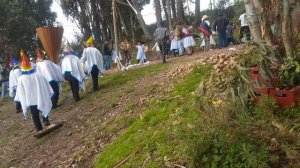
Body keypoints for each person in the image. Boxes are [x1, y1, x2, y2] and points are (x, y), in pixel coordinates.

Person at [14, 50, 53, 132]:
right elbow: (45, 83)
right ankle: (46, 120)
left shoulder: (21, 79)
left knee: (34, 114)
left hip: (30, 99)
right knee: (43, 106)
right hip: (39, 96)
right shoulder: (38, 75)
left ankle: (39, 128)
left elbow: (20, 91)